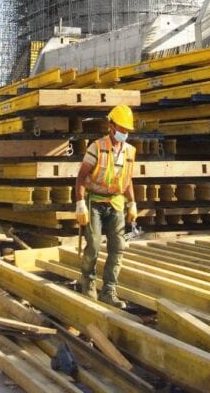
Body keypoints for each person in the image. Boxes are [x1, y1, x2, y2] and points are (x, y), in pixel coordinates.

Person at [74, 105, 137, 308]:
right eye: (121, 128)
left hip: (115, 202)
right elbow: (81, 177)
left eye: (127, 130)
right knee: (93, 244)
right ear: (111, 126)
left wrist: (133, 203)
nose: (124, 133)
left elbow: (128, 179)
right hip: (94, 202)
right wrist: (80, 203)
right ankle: (88, 283)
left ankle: (109, 290)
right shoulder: (97, 147)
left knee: (118, 247)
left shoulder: (129, 151)